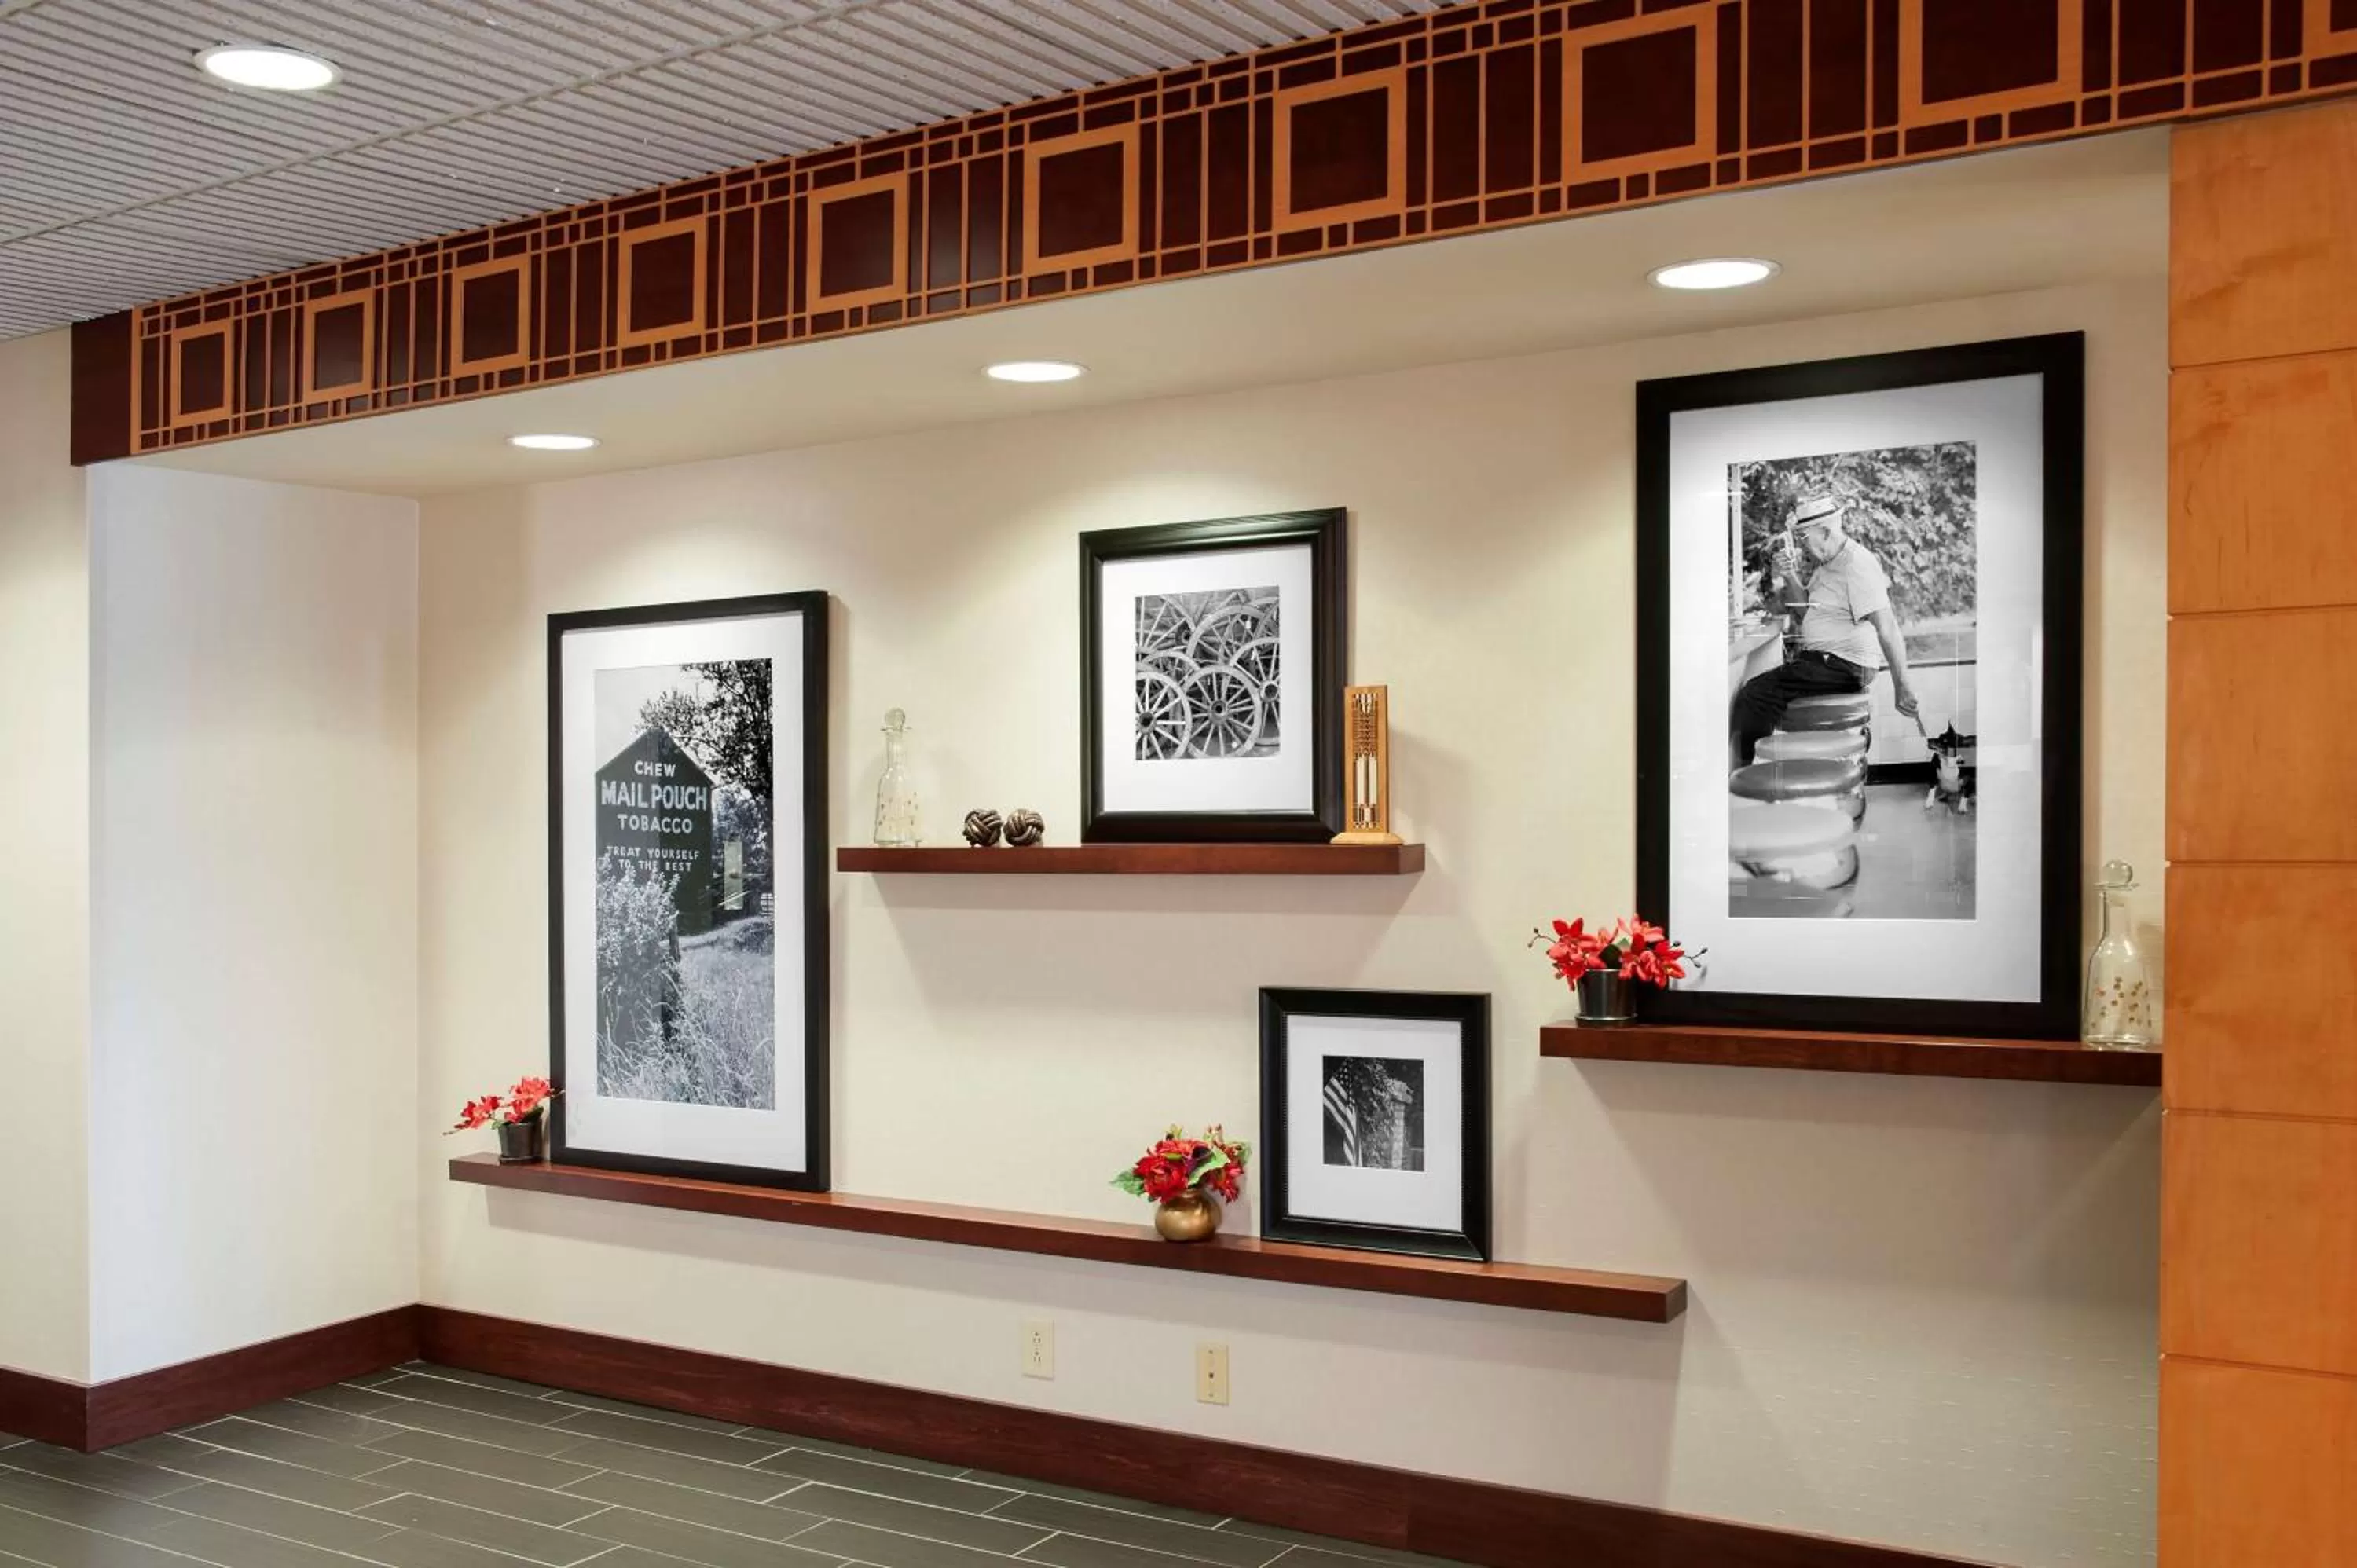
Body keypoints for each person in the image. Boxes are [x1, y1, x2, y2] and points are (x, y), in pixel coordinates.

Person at [1731, 495, 1919, 767]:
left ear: (1826, 532)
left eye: (1804, 538)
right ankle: (1775, 767)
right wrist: (1789, 575)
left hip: (1845, 665)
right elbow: (1806, 611)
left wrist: (1902, 686)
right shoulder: (1828, 564)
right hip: (1828, 661)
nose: (1801, 547)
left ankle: (1741, 776)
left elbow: (1887, 626)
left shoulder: (1856, 564)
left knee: (1755, 694)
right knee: (1768, 689)